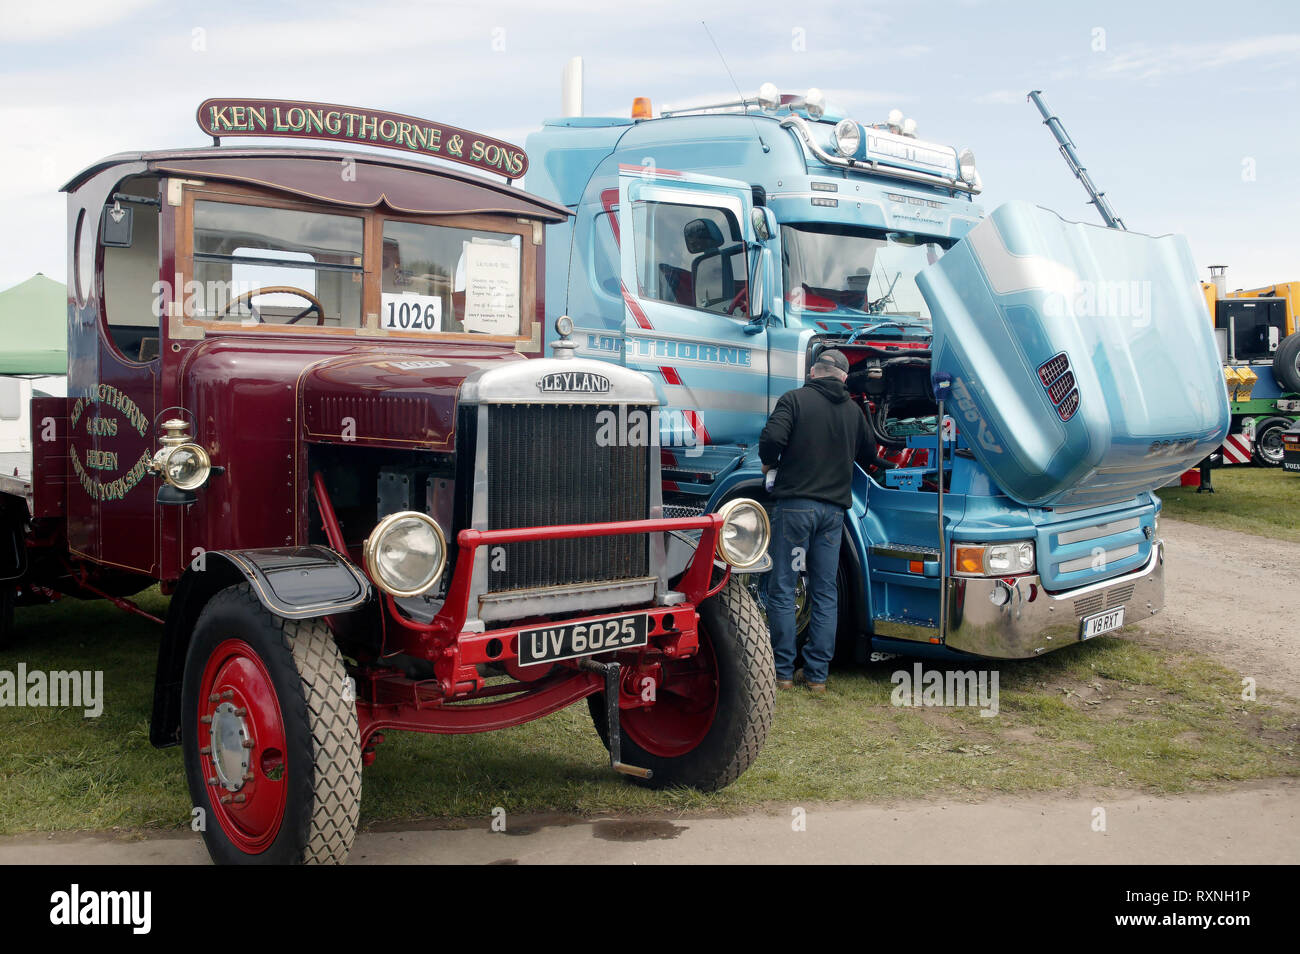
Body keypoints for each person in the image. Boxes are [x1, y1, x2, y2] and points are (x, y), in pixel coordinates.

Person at [758, 349, 891, 692]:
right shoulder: (852, 411)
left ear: (814, 372)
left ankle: (782, 672)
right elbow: (871, 455)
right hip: (833, 513)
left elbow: (772, 439)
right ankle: (816, 675)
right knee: (825, 590)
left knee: (784, 586)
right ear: (844, 378)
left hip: (795, 507)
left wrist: (770, 464)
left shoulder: (794, 399)